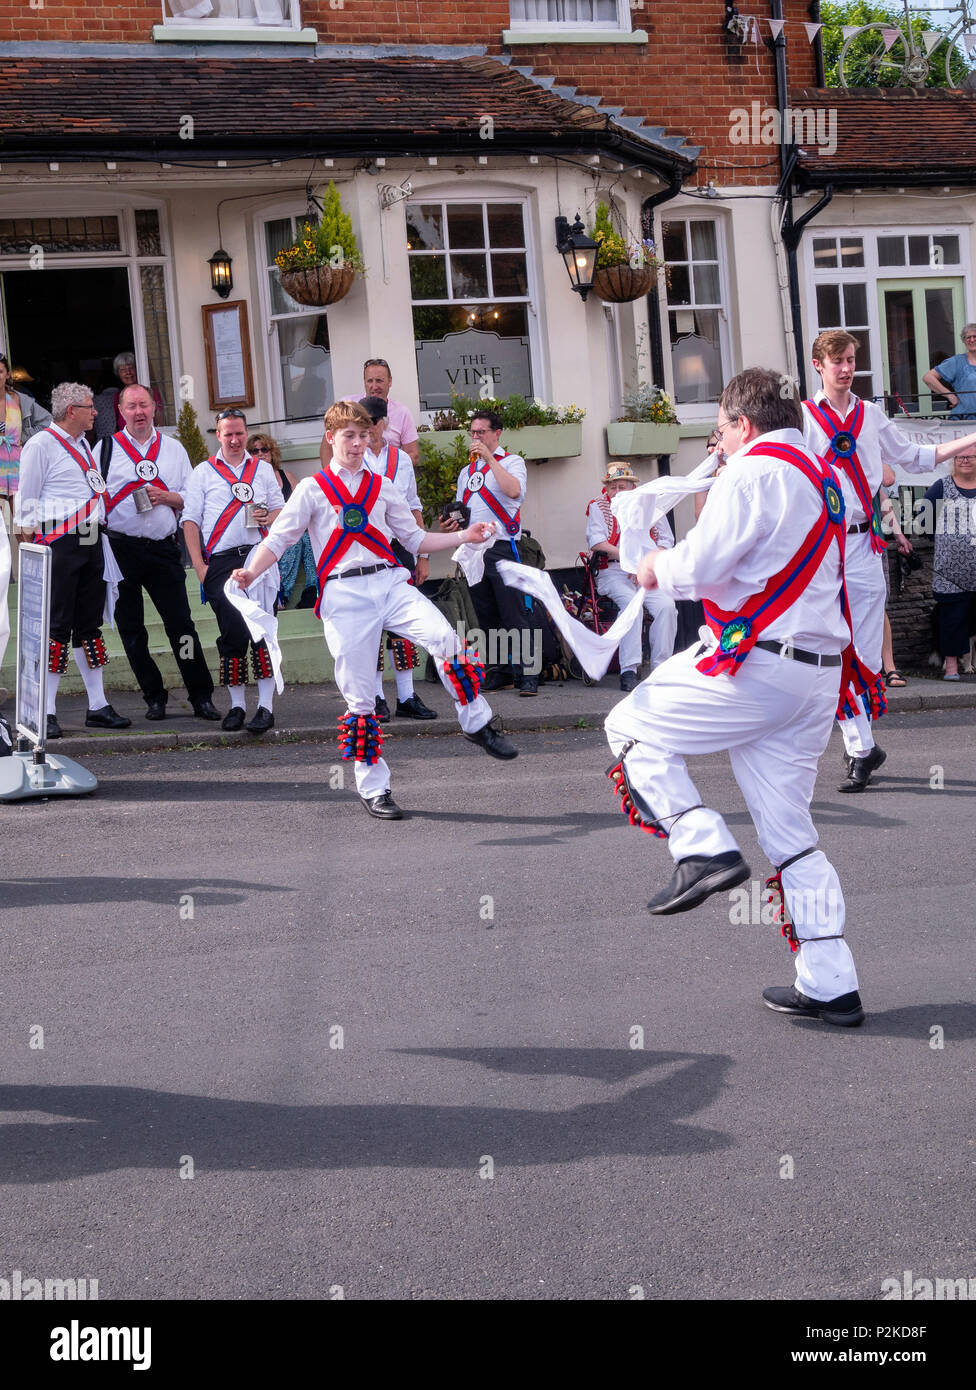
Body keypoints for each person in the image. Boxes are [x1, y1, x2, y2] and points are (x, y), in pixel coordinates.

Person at [605, 367, 864, 1027]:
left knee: (630, 725)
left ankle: (701, 846)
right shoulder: (821, 474)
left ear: (742, 425)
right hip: (815, 674)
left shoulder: (752, 473)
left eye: (719, 432)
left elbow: (698, 569)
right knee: (791, 836)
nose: (715, 446)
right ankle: (831, 982)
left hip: (762, 666)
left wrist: (651, 565)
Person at [231, 399, 517, 820]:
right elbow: (278, 540)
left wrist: (464, 537)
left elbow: (416, 540)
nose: (357, 443)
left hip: (389, 581)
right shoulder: (310, 490)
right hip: (344, 595)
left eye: (363, 436)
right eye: (349, 435)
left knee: (446, 639)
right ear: (331, 438)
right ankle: (374, 788)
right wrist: (249, 572)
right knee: (361, 696)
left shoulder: (383, 487)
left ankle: (476, 724)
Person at [802, 329, 976, 791]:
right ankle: (860, 746)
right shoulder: (802, 419)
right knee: (827, 648)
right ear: (818, 365)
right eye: (837, 360)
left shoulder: (871, 415)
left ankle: (861, 748)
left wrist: (969, 438)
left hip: (862, 546)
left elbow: (915, 458)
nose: (846, 368)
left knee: (860, 652)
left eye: (851, 359)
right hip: (820, 550)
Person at [14, 382, 131, 738]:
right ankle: (46, 712)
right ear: (70, 412)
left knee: (89, 627)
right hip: (59, 542)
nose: (96, 412)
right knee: (56, 628)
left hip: (91, 539)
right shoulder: (40, 445)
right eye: (89, 407)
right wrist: (31, 548)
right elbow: (27, 500)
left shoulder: (84, 444)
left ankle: (97, 705)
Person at [101, 383, 219, 722]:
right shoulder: (104, 449)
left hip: (163, 550)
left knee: (181, 625)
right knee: (132, 629)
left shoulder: (174, 449)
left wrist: (168, 498)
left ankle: (201, 696)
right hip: (120, 549)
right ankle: (154, 696)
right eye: (131, 406)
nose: (139, 412)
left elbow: (193, 500)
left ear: (155, 408)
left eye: (144, 405)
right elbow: (93, 498)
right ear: (120, 411)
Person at [182, 410, 284, 734]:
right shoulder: (203, 473)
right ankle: (237, 706)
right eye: (229, 434)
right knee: (233, 633)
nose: (236, 440)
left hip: (260, 555)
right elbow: (190, 521)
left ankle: (266, 708)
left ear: (246, 432)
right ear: (218, 435)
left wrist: (272, 518)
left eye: (240, 433)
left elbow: (282, 508)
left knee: (262, 629)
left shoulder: (263, 469)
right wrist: (200, 567)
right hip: (221, 562)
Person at [441, 409, 544, 696]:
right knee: (486, 616)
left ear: (496, 433)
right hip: (474, 551)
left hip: (502, 547)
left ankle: (528, 674)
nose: (475, 437)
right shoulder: (466, 472)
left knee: (515, 613)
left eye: (481, 432)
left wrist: (489, 458)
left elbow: (513, 492)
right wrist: (452, 522)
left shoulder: (513, 462)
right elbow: (464, 510)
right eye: (472, 433)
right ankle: (501, 671)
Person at [360, 394, 437, 721]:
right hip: (366, 548)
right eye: (362, 424)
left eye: (372, 424)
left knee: (403, 624)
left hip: (400, 547)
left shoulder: (401, 460)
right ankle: (376, 697)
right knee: (372, 624)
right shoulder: (353, 458)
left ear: (384, 424)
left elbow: (413, 506)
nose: (368, 430)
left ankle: (406, 696)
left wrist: (421, 555)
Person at [586, 462, 677, 692]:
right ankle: (629, 669)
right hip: (614, 570)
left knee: (667, 606)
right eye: (613, 487)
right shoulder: (599, 506)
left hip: (646, 570)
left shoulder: (649, 506)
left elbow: (666, 541)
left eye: (622, 486)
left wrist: (646, 563)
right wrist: (630, 560)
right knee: (631, 605)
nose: (617, 492)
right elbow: (596, 541)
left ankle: (661, 668)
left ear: (633, 487)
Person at [247, 433, 317, 609]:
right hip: (266, 533)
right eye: (255, 451)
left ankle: (312, 591)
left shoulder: (287, 476)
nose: (260, 453)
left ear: (272, 452)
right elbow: (254, 516)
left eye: (264, 449)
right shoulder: (249, 481)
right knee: (293, 542)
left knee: (308, 540)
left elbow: (303, 507)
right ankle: (281, 593)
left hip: (290, 528)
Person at [924, 446, 976, 680]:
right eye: (960, 456)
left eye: (971, 456)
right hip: (949, 571)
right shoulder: (941, 487)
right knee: (951, 620)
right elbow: (924, 522)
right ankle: (952, 668)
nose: (965, 460)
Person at [1, 355, 52, 581]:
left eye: (0, 372)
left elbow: (48, 421)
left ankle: (32, 577)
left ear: (7, 375)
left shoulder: (20, 399)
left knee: (23, 525)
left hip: (19, 467)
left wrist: (26, 437)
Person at [320, 358, 419, 469]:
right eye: (370, 381)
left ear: (390, 381)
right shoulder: (347, 406)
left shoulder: (402, 413)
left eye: (379, 381)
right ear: (364, 381)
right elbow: (327, 447)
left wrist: (386, 471)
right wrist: (332, 479)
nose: (374, 386)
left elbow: (413, 454)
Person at [94, 353, 163, 440]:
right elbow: (117, 424)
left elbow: (160, 422)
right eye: (123, 370)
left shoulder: (151, 393)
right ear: (118, 374)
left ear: (137, 369)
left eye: (131, 368)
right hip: (126, 443)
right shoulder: (118, 396)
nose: (128, 372)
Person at [922, 323, 976, 418]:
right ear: (964, 341)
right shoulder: (957, 361)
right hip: (964, 419)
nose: (972, 340)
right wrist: (950, 396)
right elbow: (928, 378)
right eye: (968, 337)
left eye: (975, 336)